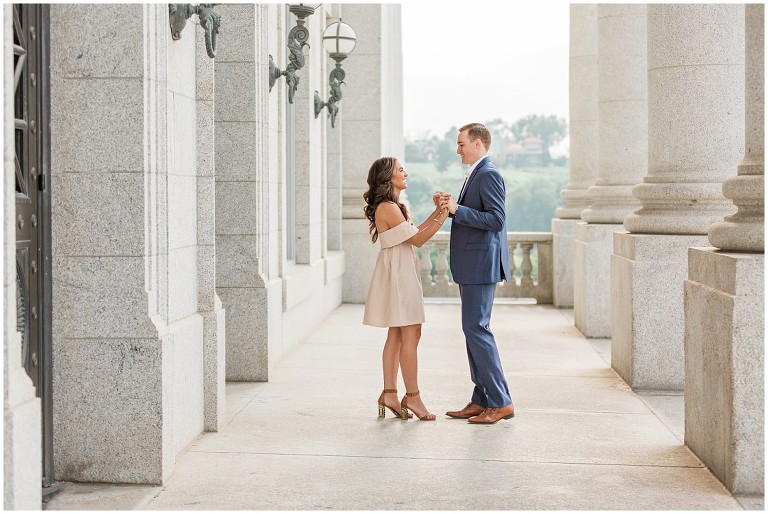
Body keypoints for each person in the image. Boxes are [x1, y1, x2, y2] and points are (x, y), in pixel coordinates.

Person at [439, 122, 515, 424]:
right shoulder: (477, 173)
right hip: (472, 267)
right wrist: (451, 208)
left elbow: (496, 220)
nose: (457, 149)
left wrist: (458, 210)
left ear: (478, 143)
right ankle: (481, 398)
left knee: (477, 329)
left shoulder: (489, 174)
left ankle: (500, 401)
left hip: (481, 266)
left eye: (461, 144)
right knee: (472, 329)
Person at [363, 156, 449, 421]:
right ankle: (412, 397)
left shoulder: (391, 206)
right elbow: (420, 239)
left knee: (398, 335)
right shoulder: (388, 207)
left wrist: (437, 212)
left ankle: (390, 392)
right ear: (388, 177)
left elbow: (414, 232)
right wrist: (444, 213)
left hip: (398, 271)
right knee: (410, 334)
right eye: (401, 170)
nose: (406, 173)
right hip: (400, 275)